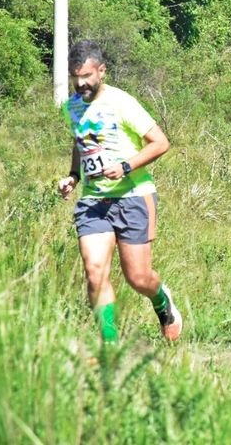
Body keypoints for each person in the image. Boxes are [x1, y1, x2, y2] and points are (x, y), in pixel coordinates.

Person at [57, 40, 182, 344]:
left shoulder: (122, 102)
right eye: (76, 76)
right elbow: (80, 141)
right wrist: (74, 176)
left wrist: (125, 167)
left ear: (102, 71)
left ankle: (163, 303)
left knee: (138, 278)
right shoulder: (71, 106)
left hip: (134, 196)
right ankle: (110, 344)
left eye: (87, 75)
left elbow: (160, 143)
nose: (81, 83)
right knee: (94, 271)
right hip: (93, 200)